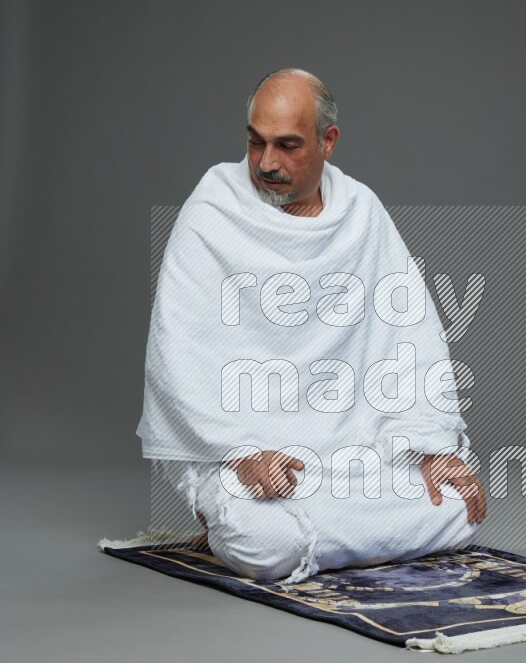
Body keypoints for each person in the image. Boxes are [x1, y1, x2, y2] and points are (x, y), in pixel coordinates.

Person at [137, 68, 486, 585]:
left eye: (287, 145)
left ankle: (327, 535)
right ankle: (314, 531)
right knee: (267, 544)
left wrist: (433, 448)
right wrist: (241, 453)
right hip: (251, 455)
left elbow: (411, 335)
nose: (266, 163)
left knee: (458, 504)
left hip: (355, 449)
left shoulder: (361, 212)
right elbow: (177, 355)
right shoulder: (212, 209)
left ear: (328, 142)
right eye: (255, 142)